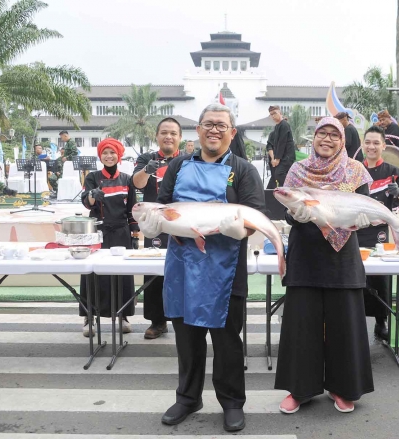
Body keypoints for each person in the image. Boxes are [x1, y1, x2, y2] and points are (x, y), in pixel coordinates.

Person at [137, 103, 265, 432]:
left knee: (227, 341)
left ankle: (232, 402)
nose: (214, 130)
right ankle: (188, 397)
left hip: (225, 268)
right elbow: (164, 208)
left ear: (232, 132)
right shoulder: (178, 165)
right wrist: (153, 224)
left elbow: (253, 216)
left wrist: (242, 229)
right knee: (187, 338)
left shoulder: (244, 169)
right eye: (208, 124)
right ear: (198, 129)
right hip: (182, 265)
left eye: (221, 125)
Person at [275, 116, 374, 415]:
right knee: (302, 325)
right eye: (322, 134)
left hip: (342, 258)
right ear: (313, 138)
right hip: (305, 255)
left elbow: (363, 210)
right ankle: (300, 389)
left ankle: (343, 388)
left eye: (334, 134)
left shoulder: (356, 171)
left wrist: (362, 222)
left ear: (343, 140)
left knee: (345, 324)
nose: (327, 139)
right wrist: (296, 216)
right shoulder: (298, 170)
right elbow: (289, 209)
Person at [356, 125, 399, 339]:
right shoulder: (353, 171)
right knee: (355, 278)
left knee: (380, 280)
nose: (371, 147)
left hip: (379, 235)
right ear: (363, 144)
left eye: (376, 143)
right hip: (354, 232)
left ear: (384, 146)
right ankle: (354, 323)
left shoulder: (393, 172)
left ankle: (382, 321)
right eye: (368, 142)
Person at [79, 138, 139, 337]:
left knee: (122, 275)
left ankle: (123, 315)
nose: (109, 156)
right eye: (105, 153)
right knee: (93, 273)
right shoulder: (93, 178)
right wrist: (92, 196)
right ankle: (89, 317)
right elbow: (87, 204)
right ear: (100, 156)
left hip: (121, 232)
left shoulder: (127, 178)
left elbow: (132, 208)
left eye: (112, 152)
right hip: (98, 231)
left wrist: (135, 233)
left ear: (119, 155)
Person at [132, 117, 181, 339]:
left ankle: (183, 320)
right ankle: (157, 321)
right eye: (164, 132)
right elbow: (137, 183)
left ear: (179, 137)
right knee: (154, 271)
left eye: (173, 133)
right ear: (157, 136)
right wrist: (147, 171)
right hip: (154, 224)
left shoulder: (189, 159)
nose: (168, 136)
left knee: (182, 268)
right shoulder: (146, 158)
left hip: (181, 220)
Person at [268, 105, 296, 187]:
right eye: (271, 114)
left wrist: (277, 158)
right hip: (282, 157)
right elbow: (275, 144)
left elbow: (282, 142)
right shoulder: (277, 126)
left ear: (280, 113)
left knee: (279, 174)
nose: (273, 116)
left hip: (287, 156)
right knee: (278, 175)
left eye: (274, 113)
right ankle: (285, 191)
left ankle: (291, 189)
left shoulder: (284, 124)